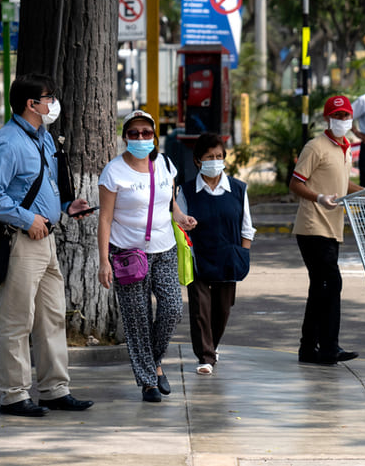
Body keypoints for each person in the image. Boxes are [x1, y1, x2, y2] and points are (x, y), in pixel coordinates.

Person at [0, 73, 94, 417]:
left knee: (52, 317)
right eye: (49, 98)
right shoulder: (10, 142)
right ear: (32, 104)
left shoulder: (44, 138)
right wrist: (27, 219)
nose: (53, 103)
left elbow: (35, 188)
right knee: (17, 320)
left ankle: (54, 389)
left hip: (47, 240)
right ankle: (13, 395)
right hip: (21, 241)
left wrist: (64, 209)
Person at [97, 110, 197, 403]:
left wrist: (182, 217)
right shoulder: (114, 171)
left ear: (154, 136)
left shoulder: (166, 164)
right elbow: (104, 219)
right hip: (127, 254)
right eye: (133, 133)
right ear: (125, 136)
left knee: (172, 308)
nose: (140, 138)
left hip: (165, 249)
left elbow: (171, 203)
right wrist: (104, 261)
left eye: (146, 133)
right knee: (138, 318)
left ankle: (153, 362)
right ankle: (148, 381)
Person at [289, 95, 364, 366]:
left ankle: (308, 348)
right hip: (313, 226)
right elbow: (296, 183)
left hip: (332, 227)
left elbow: (343, 185)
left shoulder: (344, 149)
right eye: (338, 116)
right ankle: (329, 348)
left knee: (320, 288)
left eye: (346, 116)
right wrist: (318, 197)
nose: (343, 120)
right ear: (328, 119)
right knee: (331, 284)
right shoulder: (316, 147)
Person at [176, 133, 255, 376]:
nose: (215, 161)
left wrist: (242, 253)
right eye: (209, 157)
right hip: (197, 258)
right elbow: (179, 224)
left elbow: (247, 227)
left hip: (228, 257)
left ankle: (213, 346)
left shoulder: (238, 190)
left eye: (219, 156)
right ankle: (205, 357)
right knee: (200, 308)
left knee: (223, 309)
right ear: (198, 161)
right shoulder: (186, 191)